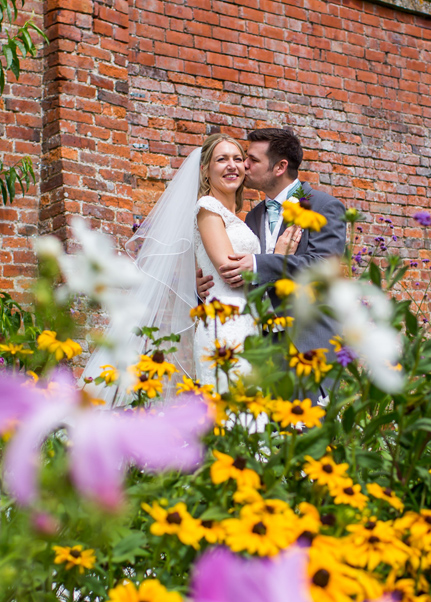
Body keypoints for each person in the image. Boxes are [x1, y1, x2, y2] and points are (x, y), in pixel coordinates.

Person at [81, 133, 298, 401]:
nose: (232, 165)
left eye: (237, 158)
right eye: (221, 159)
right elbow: (228, 270)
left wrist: (198, 282)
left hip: (247, 323)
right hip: (225, 325)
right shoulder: (207, 208)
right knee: (230, 413)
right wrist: (276, 257)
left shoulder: (239, 218)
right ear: (205, 170)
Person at [197, 128, 346, 362]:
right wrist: (203, 286)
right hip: (259, 343)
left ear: (280, 167)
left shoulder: (323, 206)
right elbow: (235, 275)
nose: (244, 165)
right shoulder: (252, 217)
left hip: (305, 344)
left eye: (252, 160)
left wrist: (259, 264)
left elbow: (324, 269)